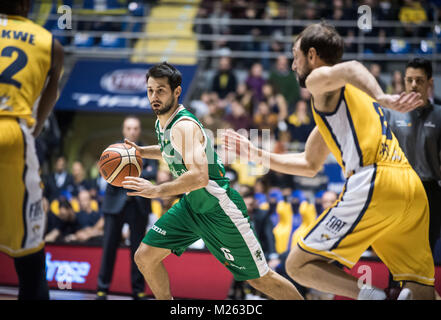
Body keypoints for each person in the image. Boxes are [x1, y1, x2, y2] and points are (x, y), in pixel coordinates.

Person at [222, 22, 435, 300]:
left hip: (375, 182)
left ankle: (375, 297)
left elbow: (353, 66)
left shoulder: (318, 80)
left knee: (298, 264)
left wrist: (383, 96)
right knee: (420, 288)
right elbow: (309, 164)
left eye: (295, 55)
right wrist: (256, 154)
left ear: (312, 55)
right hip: (410, 187)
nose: (292, 64)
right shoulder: (344, 99)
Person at [122, 62, 303, 300]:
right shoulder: (162, 122)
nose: (153, 97)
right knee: (144, 256)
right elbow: (171, 150)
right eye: (150, 90)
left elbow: (199, 177)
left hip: (218, 208)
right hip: (192, 206)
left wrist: (155, 190)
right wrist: (143, 152)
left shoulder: (184, 126)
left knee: (260, 278)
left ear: (177, 92)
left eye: (161, 91)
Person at [0, 0, 64, 300]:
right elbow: (51, 92)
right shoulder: (50, 43)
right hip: (11, 134)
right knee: (31, 255)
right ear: (25, 5)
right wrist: (32, 131)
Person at [96, 115, 158, 300]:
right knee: (108, 248)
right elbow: (107, 172)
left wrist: (124, 172)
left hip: (138, 205)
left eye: (135, 128)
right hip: (114, 204)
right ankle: (102, 289)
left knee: (138, 251)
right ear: (124, 130)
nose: (132, 131)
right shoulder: (113, 150)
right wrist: (138, 171)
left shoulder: (146, 150)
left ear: (139, 130)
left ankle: (138, 290)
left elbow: (153, 171)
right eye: (129, 128)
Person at [383, 58, 441, 253]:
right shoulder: (390, 113)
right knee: (396, 250)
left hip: (430, 191)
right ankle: (394, 285)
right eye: (409, 80)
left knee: (426, 251)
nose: (414, 85)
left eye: (419, 80)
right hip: (398, 190)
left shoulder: (439, 116)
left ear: (430, 83)